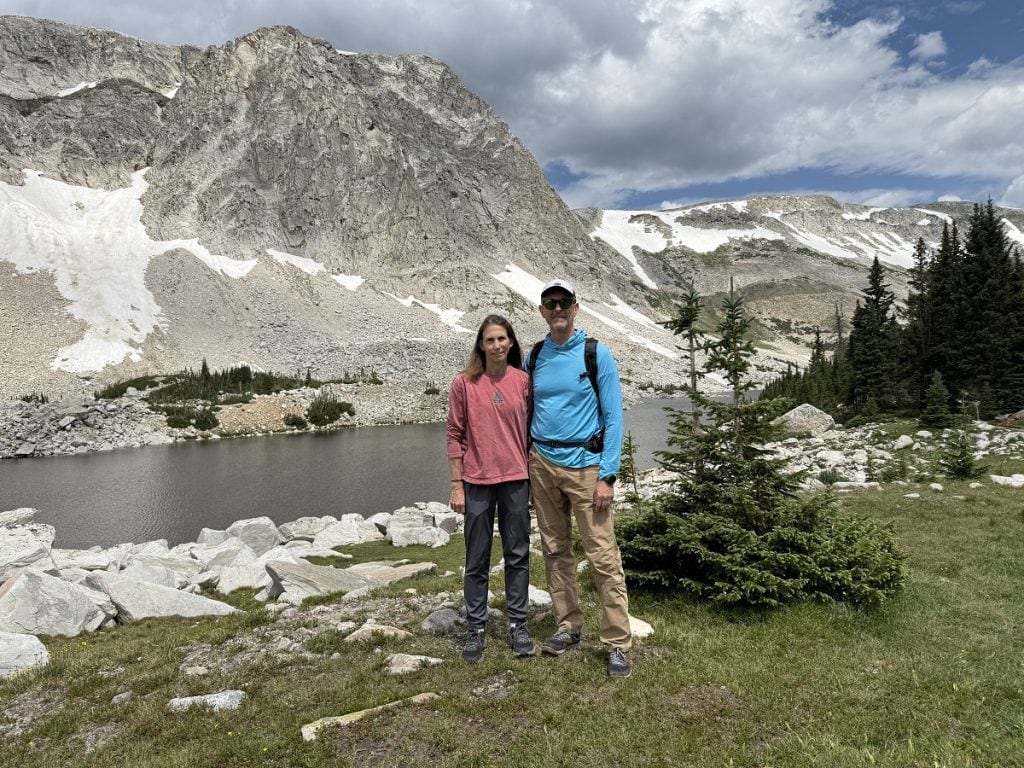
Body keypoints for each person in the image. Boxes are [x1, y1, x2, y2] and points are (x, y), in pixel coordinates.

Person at [528, 279, 633, 678]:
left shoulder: (595, 353)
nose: (557, 309)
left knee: (603, 556)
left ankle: (617, 642)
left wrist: (608, 475)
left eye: (564, 302)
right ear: (542, 311)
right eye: (550, 303)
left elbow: (614, 417)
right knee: (555, 550)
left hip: (586, 467)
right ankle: (568, 626)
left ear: (576, 308)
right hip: (542, 462)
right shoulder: (535, 356)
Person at [446, 314, 534, 663]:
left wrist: (534, 481)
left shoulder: (523, 382)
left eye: (502, 339)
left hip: (515, 480)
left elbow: (531, 435)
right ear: (480, 345)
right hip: (477, 482)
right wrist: (456, 485)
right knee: (476, 558)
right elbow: (454, 435)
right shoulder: (464, 383)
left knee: (517, 554)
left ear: (511, 342)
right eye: (490, 340)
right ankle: (476, 627)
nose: (497, 345)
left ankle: (518, 624)